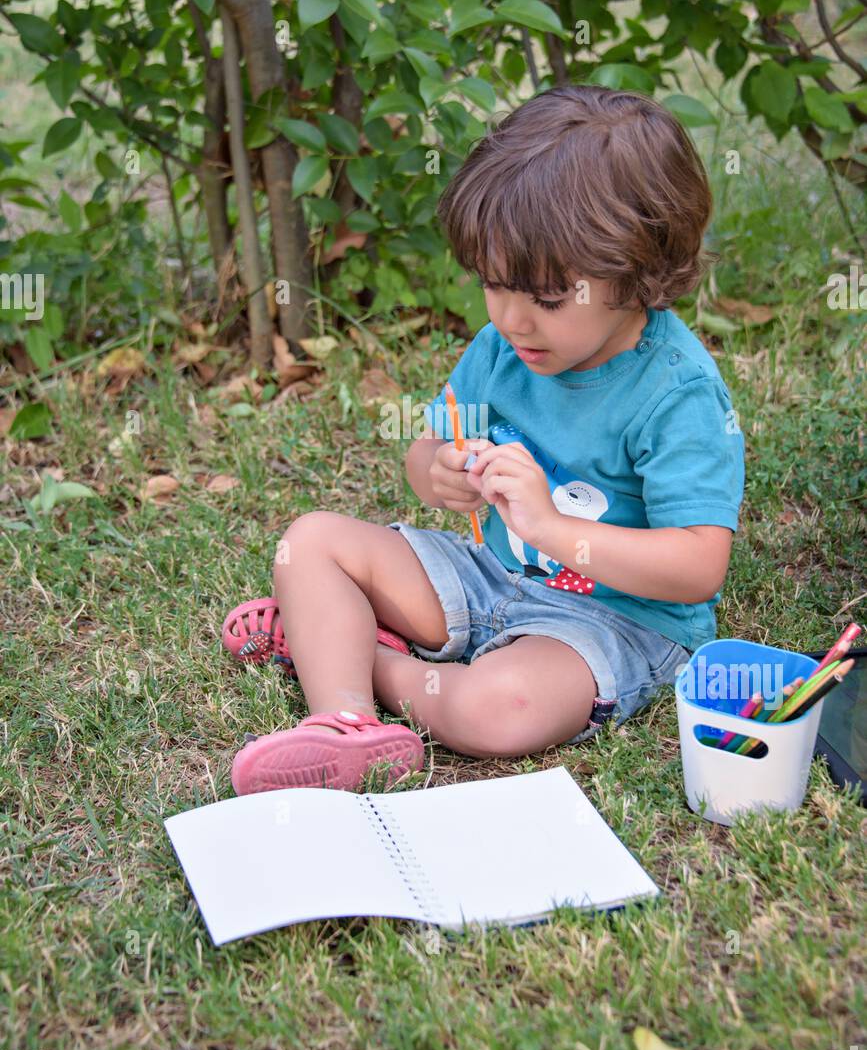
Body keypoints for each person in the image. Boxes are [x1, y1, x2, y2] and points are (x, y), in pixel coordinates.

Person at [222, 85, 745, 795]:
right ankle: (342, 722)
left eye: (547, 299)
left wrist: (553, 527)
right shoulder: (502, 348)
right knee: (309, 540)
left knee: (495, 712)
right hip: (484, 578)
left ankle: (347, 649)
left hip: (610, 623)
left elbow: (696, 567)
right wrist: (436, 470)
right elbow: (426, 447)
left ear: (639, 272)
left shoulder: (675, 393)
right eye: (493, 285)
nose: (511, 318)